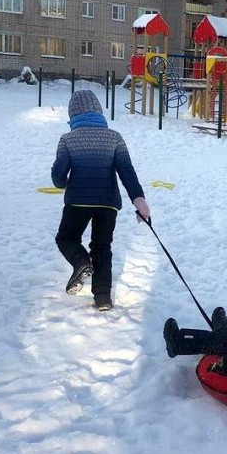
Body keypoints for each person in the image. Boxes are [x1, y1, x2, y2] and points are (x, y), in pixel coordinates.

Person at [51, 90, 150, 311]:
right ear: (98, 111)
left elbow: (58, 178)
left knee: (66, 238)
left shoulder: (67, 139)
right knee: (102, 247)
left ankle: (80, 262)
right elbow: (127, 171)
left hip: (77, 201)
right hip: (108, 203)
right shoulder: (115, 137)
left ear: (72, 115)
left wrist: (64, 183)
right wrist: (139, 200)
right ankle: (103, 298)